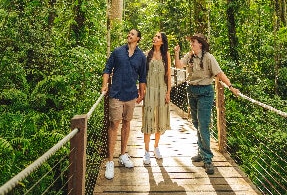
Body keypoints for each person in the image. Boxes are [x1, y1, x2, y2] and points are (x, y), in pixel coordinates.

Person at [174, 33, 240, 175]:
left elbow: (219, 74)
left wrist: (231, 86)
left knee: (203, 125)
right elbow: (179, 66)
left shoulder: (209, 58)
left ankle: (208, 159)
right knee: (197, 124)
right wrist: (176, 53)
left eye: (194, 42)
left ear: (201, 44)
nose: (191, 44)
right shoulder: (190, 55)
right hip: (191, 91)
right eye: (191, 42)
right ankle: (201, 151)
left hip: (205, 93)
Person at [101, 29, 147, 180]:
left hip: (131, 95)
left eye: (132, 34)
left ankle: (122, 155)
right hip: (116, 94)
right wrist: (104, 85)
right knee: (114, 125)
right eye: (129, 33)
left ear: (138, 39)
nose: (129, 35)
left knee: (127, 123)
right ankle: (110, 162)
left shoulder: (141, 56)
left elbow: (142, 77)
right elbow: (107, 69)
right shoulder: (117, 51)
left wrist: (142, 93)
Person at [141, 31, 171, 165]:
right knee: (148, 118)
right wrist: (142, 90)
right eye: (155, 36)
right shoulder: (147, 54)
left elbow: (169, 74)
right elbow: (142, 74)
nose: (155, 38)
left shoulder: (166, 55)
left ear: (162, 41)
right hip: (149, 90)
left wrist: (168, 92)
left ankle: (156, 147)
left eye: (158, 37)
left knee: (160, 118)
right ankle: (146, 152)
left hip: (162, 89)